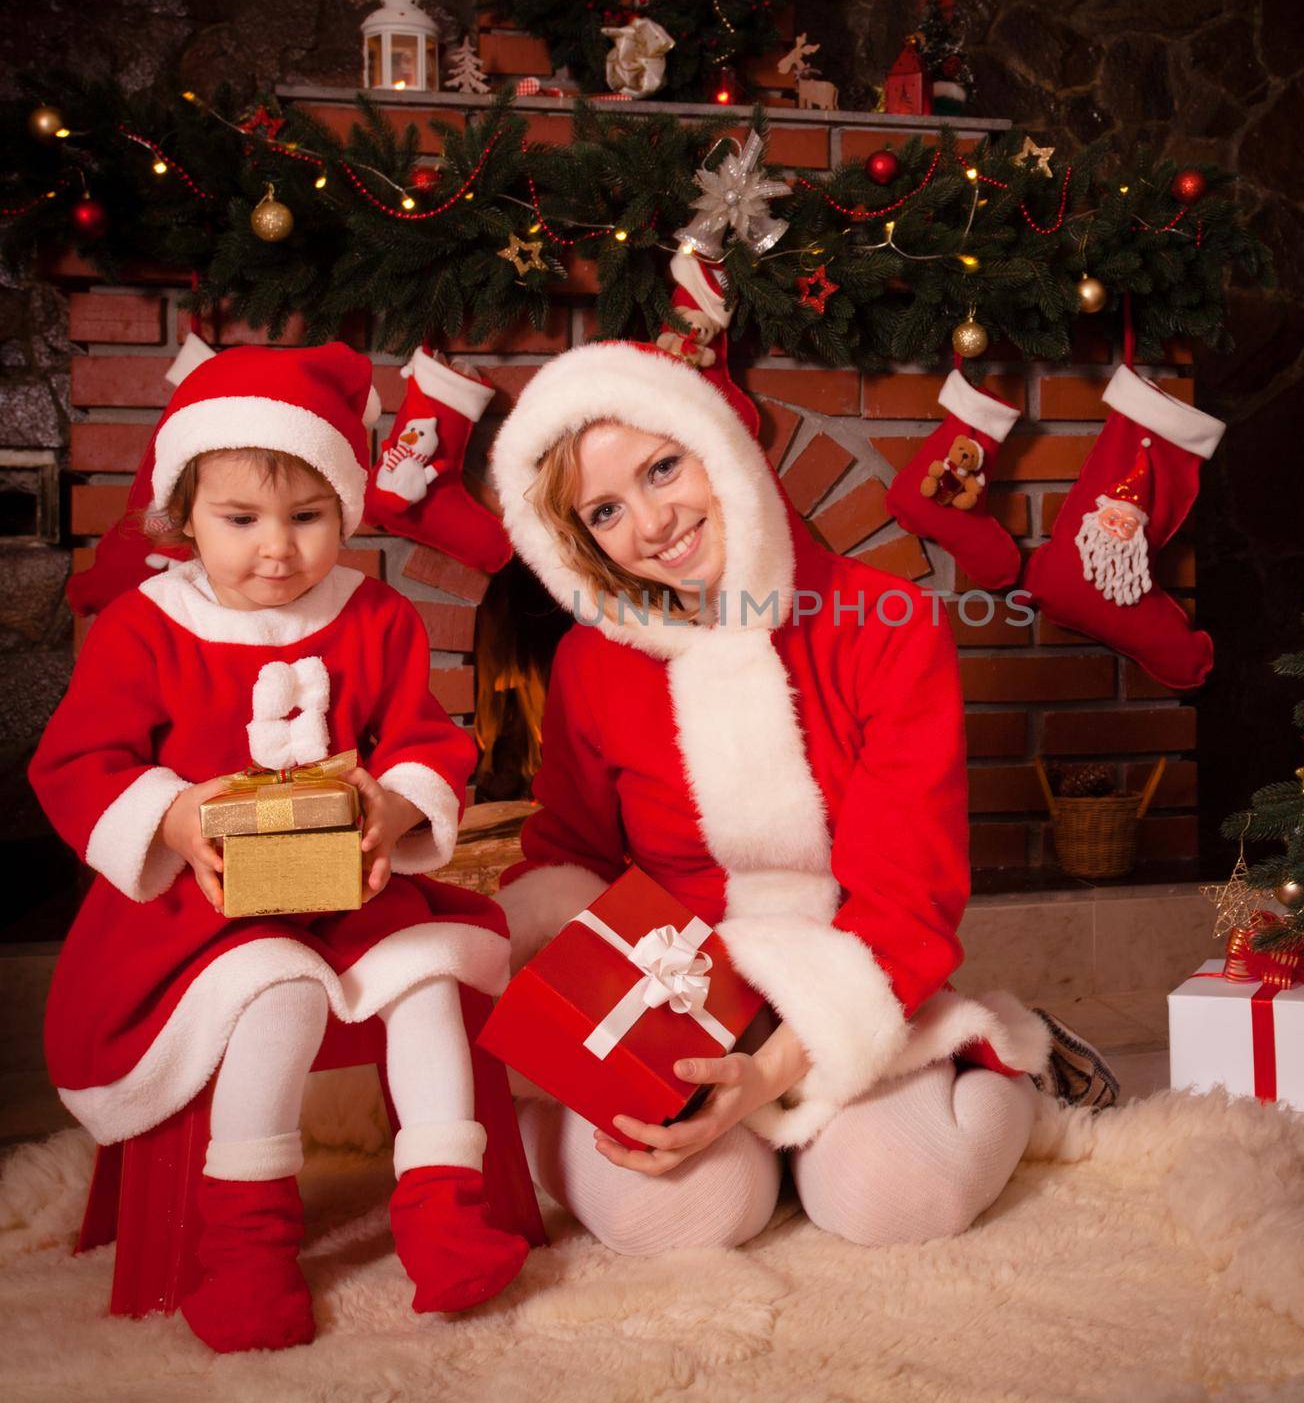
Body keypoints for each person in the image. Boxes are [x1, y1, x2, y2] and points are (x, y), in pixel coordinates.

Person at [489, 337, 1111, 1255]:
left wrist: (775, 1065)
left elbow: (908, 895)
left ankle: (1021, 1071)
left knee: (892, 1202)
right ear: (577, 544)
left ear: (723, 452)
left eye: (665, 467)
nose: (654, 523)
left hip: (851, 983)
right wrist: (590, 1033)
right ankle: (723, 1152)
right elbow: (572, 856)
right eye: (607, 510)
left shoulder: (888, 627)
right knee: (684, 1217)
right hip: (686, 1001)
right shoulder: (591, 662)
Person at [30, 344, 528, 1353]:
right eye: (240, 520)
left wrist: (394, 807)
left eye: (307, 519)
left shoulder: (374, 615)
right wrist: (173, 817)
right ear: (183, 515)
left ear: (344, 511)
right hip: (200, 919)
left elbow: (428, 738)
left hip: (355, 896)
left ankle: (443, 1209)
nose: (276, 551)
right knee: (274, 991)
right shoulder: (144, 626)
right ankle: (245, 1245)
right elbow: (80, 761)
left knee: (426, 978)